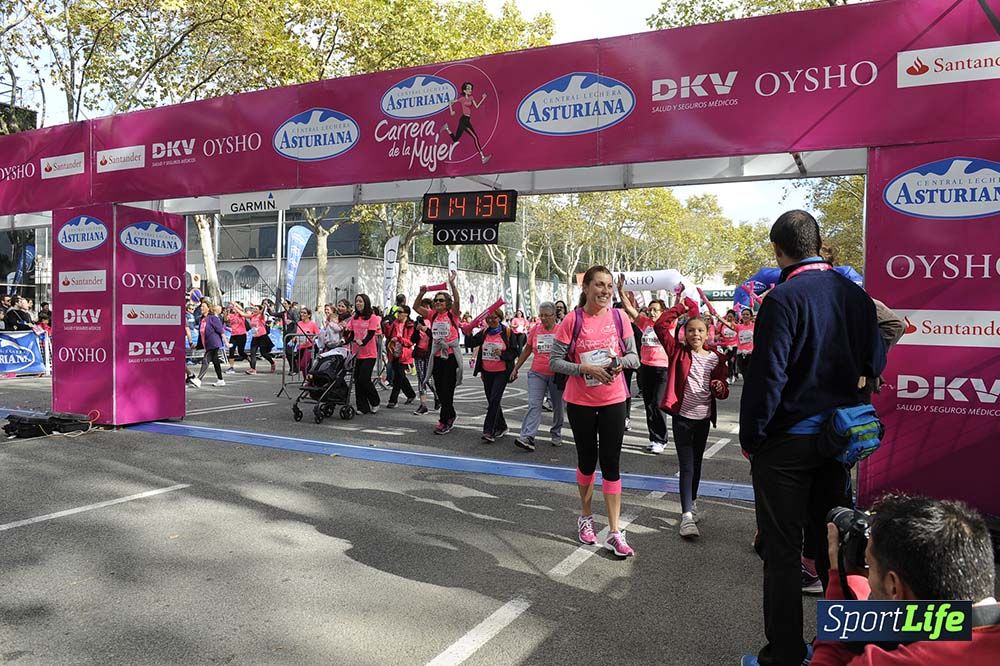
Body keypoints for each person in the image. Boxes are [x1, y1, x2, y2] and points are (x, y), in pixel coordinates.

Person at [740, 210, 886, 666]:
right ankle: (841, 650)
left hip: (786, 445)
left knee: (783, 553)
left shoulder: (782, 299)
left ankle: (784, 655)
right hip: (839, 441)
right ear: (818, 244)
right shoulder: (856, 297)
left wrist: (752, 438)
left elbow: (767, 379)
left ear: (778, 250)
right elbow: (875, 361)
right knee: (837, 548)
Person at [805, 494, 1000, 666]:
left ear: (894, 587)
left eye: (869, 565)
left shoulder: (885, 662)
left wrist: (842, 592)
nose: (868, 575)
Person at [549, 265, 640, 558]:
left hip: (614, 399)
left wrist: (618, 363)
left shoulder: (620, 317)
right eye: (599, 285)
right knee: (587, 461)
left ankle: (614, 531)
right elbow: (554, 361)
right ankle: (586, 517)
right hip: (581, 402)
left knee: (611, 462)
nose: (605, 291)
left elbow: (634, 358)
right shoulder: (572, 320)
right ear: (586, 287)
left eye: (609, 286)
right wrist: (583, 368)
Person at [653, 300, 730, 539]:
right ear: (684, 333)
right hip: (682, 419)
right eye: (690, 330)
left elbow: (723, 390)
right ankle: (686, 516)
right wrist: (680, 307)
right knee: (686, 466)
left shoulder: (716, 358)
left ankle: (692, 503)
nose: (695, 334)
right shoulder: (677, 352)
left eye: (700, 330)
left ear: (707, 333)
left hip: (703, 419)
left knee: (697, 464)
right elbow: (659, 326)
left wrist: (719, 387)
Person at [616, 278, 672, 454]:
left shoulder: (669, 324)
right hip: (646, 367)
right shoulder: (645, 323)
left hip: (663, 369)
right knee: (648, 404)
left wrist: (678, 295)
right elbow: (629, 308)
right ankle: (654, 438)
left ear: (663, 312)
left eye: (655, 310)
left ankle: (661, 439)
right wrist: (621, 290)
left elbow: (679, 310)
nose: (652, 313)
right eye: (650, 310)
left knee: (657, 403)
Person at [414, 272, 463, 435]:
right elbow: (416, 307)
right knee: (440, 390)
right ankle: (451, 414)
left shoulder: (452, 314)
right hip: (436, 356)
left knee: (447, 389)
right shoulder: (432, 314)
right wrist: (421, 293)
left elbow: (457, 301)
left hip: (450, 355)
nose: (437, 302)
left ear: (447, 303)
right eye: (436, 300)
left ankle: (444, 420)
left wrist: (452, 284)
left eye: (441, 300)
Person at [511, 302, 564, 451]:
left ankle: (556, 432)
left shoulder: (561, 330)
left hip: (557, 374)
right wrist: (516, 368)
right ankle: (527, 436)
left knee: (558, 406)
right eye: (541, 315)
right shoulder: (535, 329)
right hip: (537, 373)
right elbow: (527, 349)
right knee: (534, 404)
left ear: (554, 315)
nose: (544, 318)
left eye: (547, 315)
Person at [464, 309, 520, 442]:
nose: (490, 320)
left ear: (499, 318)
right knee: (492, 400)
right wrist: (468, 332)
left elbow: (515, 352)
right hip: (487, 371)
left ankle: (489, 431)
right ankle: (502, 426)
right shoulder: (484, 332)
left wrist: (502, 354)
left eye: (494, 318)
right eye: (488, 318)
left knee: (494, 400)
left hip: (502, 372)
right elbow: (470, 343)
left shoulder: (507, 332)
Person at [441, 81, 491, 164]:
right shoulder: (461, 99)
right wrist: (451, 111)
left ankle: (446, 128)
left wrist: (483, 98)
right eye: (468, 89)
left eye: (471, 88)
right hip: (464, 120)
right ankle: (483, 158)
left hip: (467, 120)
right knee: (475, 138)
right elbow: (450, 102)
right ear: (464, 90)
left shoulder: (471, 98)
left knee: (455, 139)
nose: (470, 90)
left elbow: (477, 106)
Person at [348, 294, 381, 414]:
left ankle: (375, 401)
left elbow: (371, 334)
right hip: (357, 353)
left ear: (366, 303)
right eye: (357, 301)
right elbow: (351, 334)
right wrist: (344, 340)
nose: (358, 303)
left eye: (360, 301)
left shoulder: (372, 317)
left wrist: (363, 342)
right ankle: (362, 407)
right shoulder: (354, 318)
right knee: (357, 380)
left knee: (364, 379)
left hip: (369, 354)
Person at [386, 305, 416, 408]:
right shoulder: (395, 323)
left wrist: (399, 339)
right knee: (401, 376)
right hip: (394, 352)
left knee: (398, 377)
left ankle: (393, 400)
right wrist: (386, 326)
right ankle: (411, 394)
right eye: (397, 312)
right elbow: (388, 335)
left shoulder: (410, 325)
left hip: (404, 354)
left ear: (406, 314)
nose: (398, 314)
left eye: (400, 312)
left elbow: (410, 342)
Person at [410, 313, 436, 415]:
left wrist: (427, 330)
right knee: (421, 378)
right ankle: (423, 405)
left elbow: (435, 337)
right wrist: (417, 330)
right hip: (419, 353)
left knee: (428, 379)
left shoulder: (434, 322)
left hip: (430, 354)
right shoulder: (418, 322)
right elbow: (413, 340)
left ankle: (437, 396)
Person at [196, 303, 227, 387]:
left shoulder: (213, 318)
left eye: (203, 306)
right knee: (216, 361)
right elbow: (201, 333)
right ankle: (220, 380)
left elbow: (221, 330)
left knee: (205, 360)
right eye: (201, 306)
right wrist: (197, 345)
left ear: (208, 308)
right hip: (207, 343)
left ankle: (198, 380)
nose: (201, 308)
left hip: (214, 343)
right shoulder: (202, 319)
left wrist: (226, 342)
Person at [245, 303, 276, 374]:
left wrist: (264, 306)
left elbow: (262, 312)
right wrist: (235, 307)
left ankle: (272, 362)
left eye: (256, 309)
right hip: (255, 337)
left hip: (262, 337)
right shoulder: (252, 316)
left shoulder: (261, 316)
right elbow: (243, 314)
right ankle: (253, 369)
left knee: (263, 353)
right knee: (252, 353)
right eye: (254, 309)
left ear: (259, 310)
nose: (254, 310)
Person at [225, 302, 249, 373]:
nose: (233, 308)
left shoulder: (241, 314)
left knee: (241, 352)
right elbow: (226, 319)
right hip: (234, 335)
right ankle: (231, 367)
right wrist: (227, 311)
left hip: (242, 335)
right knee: (231, 350)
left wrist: (235, 304)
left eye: (234, 307)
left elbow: (241, 309)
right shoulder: (231, 315)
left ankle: (249, 359)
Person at [717, 310, 740, 380]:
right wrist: (719, 338)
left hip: (734, 346)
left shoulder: (737, 326)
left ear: (734, 318)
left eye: (731, 317)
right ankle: (726, 375)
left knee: (731, 360)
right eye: (728, 316)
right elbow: (718, 334)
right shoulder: (721, 325)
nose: (729, 318)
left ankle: (731, 375)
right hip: (725, 346)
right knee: (724, 360)